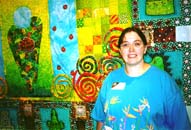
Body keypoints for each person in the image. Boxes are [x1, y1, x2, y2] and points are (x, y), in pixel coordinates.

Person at [91, 27, 191, 130]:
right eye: (125, 45)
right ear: (120, 51)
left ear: (145, 48)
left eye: (137, 44)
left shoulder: (163, 81)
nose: (131, 49)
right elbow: (101, 118)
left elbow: (181, 124)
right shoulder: (111, 79)